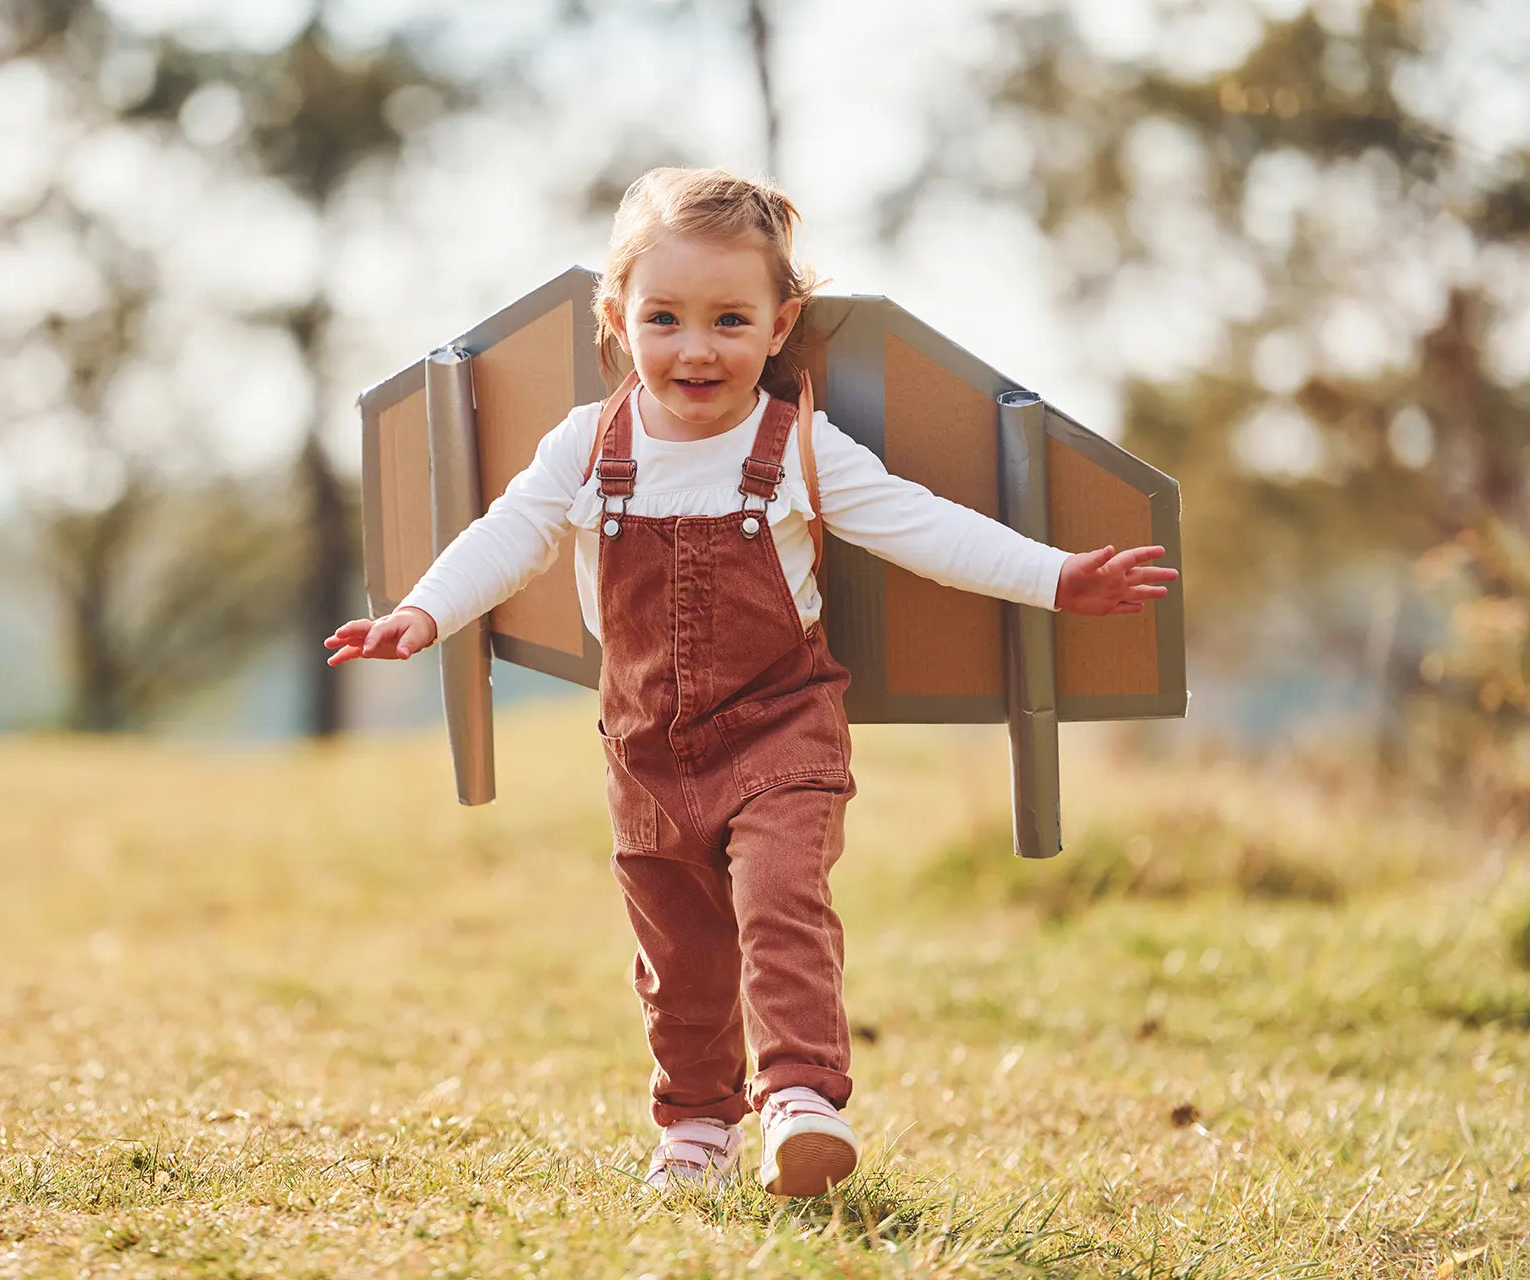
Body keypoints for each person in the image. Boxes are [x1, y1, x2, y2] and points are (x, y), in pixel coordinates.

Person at [324, 167, 1176, 1198]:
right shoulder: (585, 447)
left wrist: (1055, 576)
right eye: (665, 318)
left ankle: (801, 1102)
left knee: (780, 901)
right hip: (644, 748)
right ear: (617, 320)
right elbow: (508, 534)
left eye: (731, 318)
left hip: (781, 730)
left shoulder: (798, 447)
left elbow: (924, 525)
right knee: (677, 954)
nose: (696, 347)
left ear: (782, 325)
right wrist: (422, 610)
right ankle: (694, 1125)